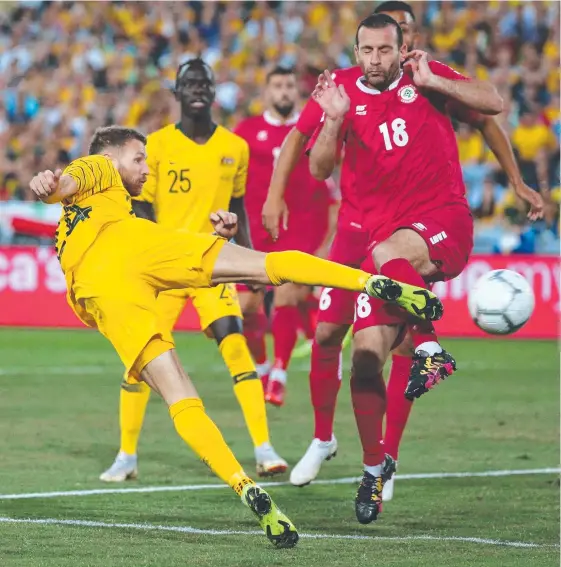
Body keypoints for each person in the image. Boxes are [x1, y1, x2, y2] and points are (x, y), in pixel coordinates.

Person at [29, 126, 438, 545]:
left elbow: (69, 196)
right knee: (267, 264)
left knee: (180, 396)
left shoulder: (79, 224)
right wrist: (50, 184)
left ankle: (245, 487)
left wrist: (56, 191)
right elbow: (67, 180)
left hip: (105, 291)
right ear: (114, 158)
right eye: (139, 158)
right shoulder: (99, 166)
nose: (147, 169)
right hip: (136, 247)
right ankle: (370, 282)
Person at [261, 0, 545, 495]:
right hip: (359, 230)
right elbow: (316, 164)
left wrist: (515, 179)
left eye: (388, 47)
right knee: (337, 338)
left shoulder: (426, 76)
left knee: (390, 342)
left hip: (415, 228)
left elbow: (492, 106)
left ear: (402, 46)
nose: (378, 57)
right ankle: (329, 441)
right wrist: (330, 125)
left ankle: (386, 452)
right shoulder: (341, 88)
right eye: (368, 49)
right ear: (356, 50)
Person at [100, 58, 288, 484]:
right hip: (164, 266)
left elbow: (238, 207)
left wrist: (252, 265)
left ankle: (264, 449)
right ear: (178, 92)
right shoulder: (158, 145)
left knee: (235, 345)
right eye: (190, 83)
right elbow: (141, 207)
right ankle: (126, 455)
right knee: (138, 362)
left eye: (205, 83)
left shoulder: (234, 148)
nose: (198, 89)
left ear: (214, 91)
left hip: (210, 264)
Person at [235, 66, 339, 407]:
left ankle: (278, 373)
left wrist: (325, 242)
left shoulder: (313, 131)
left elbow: (330, 189)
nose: (283, 91)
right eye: (277, 85)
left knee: (286, 295)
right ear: (266, 92)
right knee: (247, 307)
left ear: (297, 92)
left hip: (297, 231)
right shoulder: (246, 132)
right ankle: (263, 367)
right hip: (253, 232)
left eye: (289, 86)